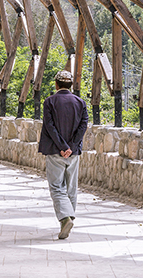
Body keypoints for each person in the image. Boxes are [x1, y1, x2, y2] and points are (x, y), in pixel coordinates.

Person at [38, 69, 88, 239]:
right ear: (71, 84)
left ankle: (65, 218)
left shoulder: (49, 102)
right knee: (71, 187)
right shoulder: (80, 102)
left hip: (54, 150)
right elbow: (83, 126)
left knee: (56, 187)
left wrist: (62, 146)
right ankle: (68, 219)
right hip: (73, 153)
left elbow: (49, 126)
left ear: (56, 84)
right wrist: (71, 147)